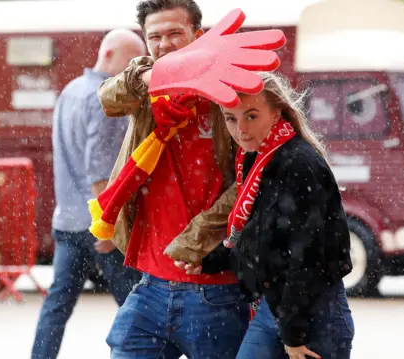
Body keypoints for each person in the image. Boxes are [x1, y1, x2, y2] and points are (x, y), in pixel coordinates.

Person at [97, 1, 250, 358]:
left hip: (214, 290)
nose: (164, 44)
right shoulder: (147, 86)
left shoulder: (226, 92)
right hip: (151, 283)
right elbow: (107, 96)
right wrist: (153, 77)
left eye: (174, 34)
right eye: (155, 37)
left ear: (198, 35)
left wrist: (195, 242)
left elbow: (248, 179)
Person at [176, 72, 356, 359]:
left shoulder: (298, 163)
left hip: (314, 311)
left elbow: (306, 256)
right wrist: (210, 262)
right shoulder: (257, 157)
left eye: (251, 116)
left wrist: (293, 332)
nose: (241, 129)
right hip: (276, 307)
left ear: (277, 112)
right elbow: (261, 239)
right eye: (231, 118)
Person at [31, 29, 146, 359]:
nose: (133, 73)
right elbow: (99, 172)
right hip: (97, 226)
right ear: (108, 55)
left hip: (67, 220)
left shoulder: (69, 91)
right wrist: (107, 224)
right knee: (136, 303)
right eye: (129, 63)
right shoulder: (103, 99)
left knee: (57, 305)